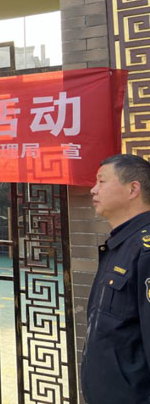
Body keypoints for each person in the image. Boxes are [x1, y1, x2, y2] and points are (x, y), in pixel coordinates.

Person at [81, 154, 150, 403]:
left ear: (133, 189)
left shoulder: (144, 250)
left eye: (101, 181)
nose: (93, 189)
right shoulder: (119, 244)